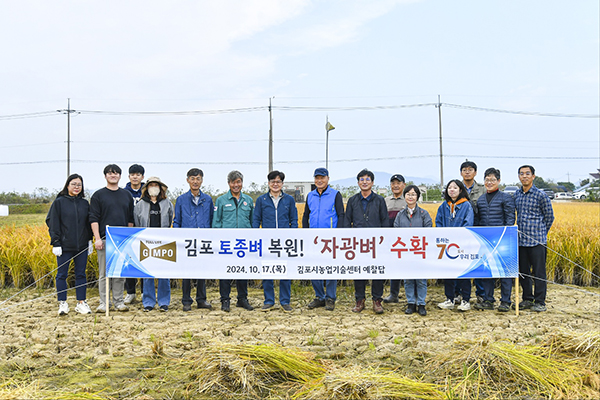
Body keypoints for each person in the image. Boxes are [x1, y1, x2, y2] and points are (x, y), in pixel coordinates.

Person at [46, 174, 93, 315]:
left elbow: (87, 224)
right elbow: (52, 222)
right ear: (67, 185)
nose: (76, 187)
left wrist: (89, 240)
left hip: (82, 246)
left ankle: (81, 302)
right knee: (61, 274)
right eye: (74, 184)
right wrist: (55, 242)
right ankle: (62, 303)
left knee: (81, 274)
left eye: (79, 184)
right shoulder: (59, 202)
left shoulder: (85, 203)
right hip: (64, 246)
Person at [89, 164, 134, 313]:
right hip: (104, 239)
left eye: (115, 173)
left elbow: (130, 219)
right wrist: (97, 238)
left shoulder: (126, 195)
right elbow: (93, 218)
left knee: (119, 272)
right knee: (104, 273)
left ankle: (119, 301)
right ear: (105, 176)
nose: (113, 176)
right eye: (110, 173)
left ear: (120, 176)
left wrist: (128, 238)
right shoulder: (98, 195)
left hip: (121, 240)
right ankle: (104, 302)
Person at [344, 169, 388, 314]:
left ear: (372, 182)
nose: (364, 182)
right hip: (357, 243)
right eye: (361, 179)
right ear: (358, 183)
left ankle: (377, 300)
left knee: (377, 272)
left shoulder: (380, 200)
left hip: (376, 243)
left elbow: (384, 221)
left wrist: (384, 240)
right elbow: (347, 221)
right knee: (359, 271)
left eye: (367, 179)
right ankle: (360, 300)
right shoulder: (352, 200)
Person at [253, 170, 298, 312]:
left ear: (282, 184)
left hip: (284, 242)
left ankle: (285, 301)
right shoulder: (262, 200)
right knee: (267, 270)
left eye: (278, 181)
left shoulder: (289, 200)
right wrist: (257, 235)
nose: (275, 184)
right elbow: (256, 219)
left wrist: (292, 235)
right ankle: (269, 301)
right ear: (268, 183)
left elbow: (293, 220)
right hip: (267, 241)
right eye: (273, 181)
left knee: (285, 271)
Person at [473, 168, 516, 312]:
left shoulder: (505, 198)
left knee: (505, 272)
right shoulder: (481, 199)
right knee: (487, 271)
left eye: (492, 180)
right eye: (487, 180)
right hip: (486, 240)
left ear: (498, 181)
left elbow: (510, 219)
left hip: (503, 240)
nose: (489, 182)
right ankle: (488, 299)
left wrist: (506, 236)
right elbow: (478, 221)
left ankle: (505, 301)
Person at [302, 167, 344, 311]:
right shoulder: (310, 195)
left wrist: (339, 235)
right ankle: (319, 296)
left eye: (322, 178)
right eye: (317, 178)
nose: (319, 181)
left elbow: (341, 215)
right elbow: (306, 216)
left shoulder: (335, 194)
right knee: (315, 268)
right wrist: (306, 234)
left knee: (331, 268)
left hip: (330, 239)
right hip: (313, 239)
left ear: (328, 179)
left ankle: (330, 298)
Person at [213, 170, 255, 312]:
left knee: (242, 271)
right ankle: (225, 300)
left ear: (242, 183)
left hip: (243, 243)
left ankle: (242, 299)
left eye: (238, 182)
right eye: (233, 182)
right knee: (225, 272)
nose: (236, 185)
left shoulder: (248, 200)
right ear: (228, 183)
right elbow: (217, 221)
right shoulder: (221, 200)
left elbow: (252, 221)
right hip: (227, 243)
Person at [514, 165, 554, 312]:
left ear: (533, 176)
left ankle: (540, 301)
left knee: (539, 273)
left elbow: (550, 217)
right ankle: (527, 299)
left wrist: (542, 232)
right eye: (521, 174)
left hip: (537, 241)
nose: (524, 176)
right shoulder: (517, 195)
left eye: (527, 174)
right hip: (521, 241)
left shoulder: (540, 195)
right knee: (523, 272)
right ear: (519, 176)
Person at [173, 168, 214, 312]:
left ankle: (201, 300)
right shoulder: (181, 199)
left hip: (203, 241)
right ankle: (186, 301)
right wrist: (177, 238)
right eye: (192, 178)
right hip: (187, 241)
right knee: (187, 272)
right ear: (187, 180)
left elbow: (211, 219)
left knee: (202, 271)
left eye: (198, 179)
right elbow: (177, 220)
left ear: (202, 180)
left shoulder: (207, 199)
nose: (195, 182)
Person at [134, 177, 174, 312]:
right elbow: (137, 221)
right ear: (147, 188)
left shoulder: (167, 203)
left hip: (164, 242)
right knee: (147, 274)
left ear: (160, 187)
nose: (153, 187)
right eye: (151, 185)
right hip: (146, 242)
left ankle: (164, 302)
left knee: (164, 273)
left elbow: (170, 220)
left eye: (156, 184)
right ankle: (148, 302)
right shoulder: (140, 204)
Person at [393, 185, 432, 316]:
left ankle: (421, 303)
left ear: (417, 197)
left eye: (413, 194)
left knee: (421, 279)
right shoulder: (400, 215)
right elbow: (396, 232)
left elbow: (428, 231)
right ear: (405, 197)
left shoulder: (423, 214)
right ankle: (410, 303)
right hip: (405, 252)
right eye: (408, 194)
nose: (411, 196)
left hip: (420, 251)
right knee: (408, 279)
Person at [436, 179, 474, 312]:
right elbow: (438, 222)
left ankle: (465, 300)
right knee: (449, 272)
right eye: (449, 188)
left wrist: (458, 236)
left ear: (461, 190)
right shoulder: (443, 206)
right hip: (447, 245)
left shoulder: (466, 205)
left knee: (464, 272)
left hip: (462, 244)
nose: (452, 190)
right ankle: (449, 299)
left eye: (455, 188)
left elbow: (468, 223)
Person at [460, 160, 486, 304]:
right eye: (464, 170)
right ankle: (459, 294)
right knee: (461, 262)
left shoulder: (482, 189)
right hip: (461, 233)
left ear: (475, 172)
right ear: (461, 173)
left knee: (478, 263)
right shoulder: (455, 187)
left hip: (478, 231)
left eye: (470, 170)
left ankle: (481, 294)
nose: (467, 172)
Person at [383, 174, 407, 303]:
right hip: (390, 238)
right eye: (393, 183)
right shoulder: (385, 200)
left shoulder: (408, 199)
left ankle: (412, 295)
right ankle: (393, 294)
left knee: (408, 266)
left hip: (405, 238)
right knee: (394, 266)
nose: (396, 185)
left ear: (404, 185)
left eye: (398, 183)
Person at [123, 163, 145, 305]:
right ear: (129, 176)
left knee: (144, 260)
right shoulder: (124, 192)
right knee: (128, 262)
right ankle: (130, 292)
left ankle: (145, 292)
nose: (135, 177)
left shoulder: (147, 191)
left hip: (144, 231)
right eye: (132, 174)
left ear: (142, 177)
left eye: (138, 174)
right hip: (128, 231)